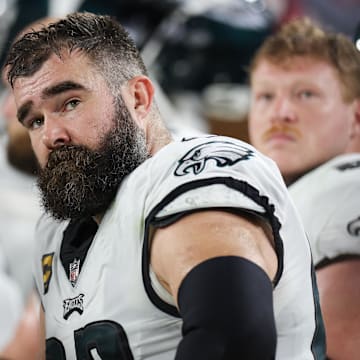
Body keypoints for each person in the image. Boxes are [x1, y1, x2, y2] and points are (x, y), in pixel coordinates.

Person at [5, 12, 325, 359]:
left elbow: (231, 340)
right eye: (35, 120)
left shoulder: (190, 175)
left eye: (70, 103)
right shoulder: (57, 231)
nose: (51, 135)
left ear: (139, 98)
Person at [248, 17, 360, 360]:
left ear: (356, 118)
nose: (280, 113)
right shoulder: (281, 198)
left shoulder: (345, 188)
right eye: (265, 96)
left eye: (305, 94)